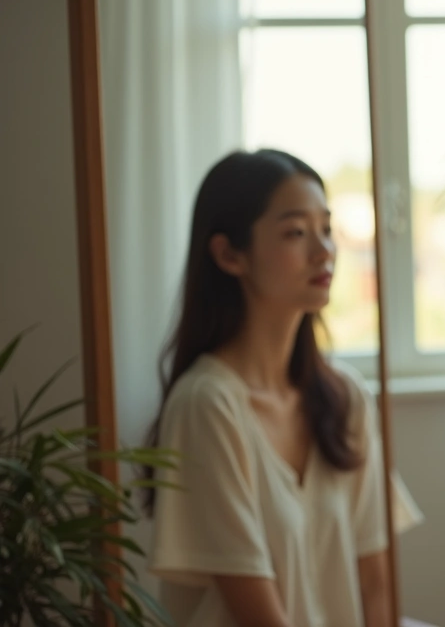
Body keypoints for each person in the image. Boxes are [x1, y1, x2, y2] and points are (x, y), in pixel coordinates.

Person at [142, 149, 422, 627]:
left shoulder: (345, 399)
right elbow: (256, 614)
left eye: (327, 229)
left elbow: (377, 582)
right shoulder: (207, 405)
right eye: (296, 232)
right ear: (229, 254)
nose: (324, 250)